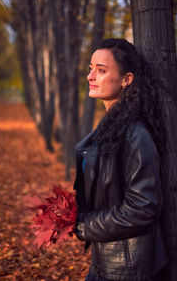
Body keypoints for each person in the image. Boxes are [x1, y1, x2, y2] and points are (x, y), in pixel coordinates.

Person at [73, 38, 168, 281]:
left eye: (101, 70)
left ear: (127, 79)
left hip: (128, 270)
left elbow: (143, 207)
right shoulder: (110, 128)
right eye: (90, 68)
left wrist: (84, 224)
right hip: (105, 263)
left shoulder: (135, 135)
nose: (90, 76)